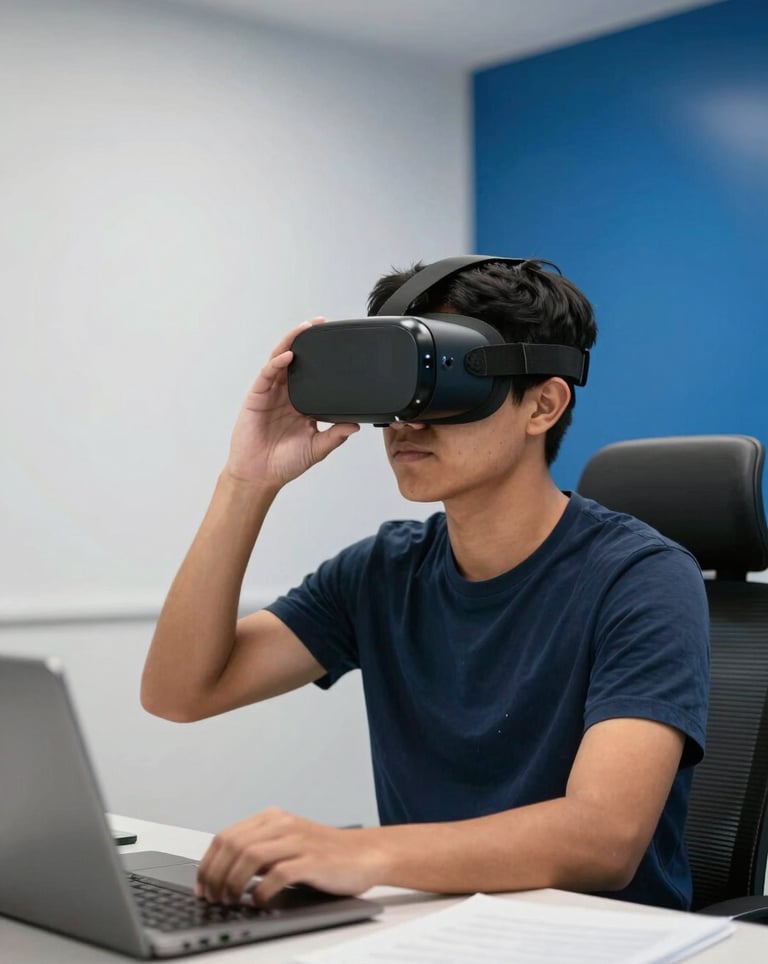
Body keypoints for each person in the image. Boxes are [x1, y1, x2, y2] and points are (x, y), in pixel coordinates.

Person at [141, 258, 709, 911]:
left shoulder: (642, 578)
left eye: (442, 385)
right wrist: (247, 482)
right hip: (428, 929)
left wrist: (358, 851)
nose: (406, 422)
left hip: (606, 943)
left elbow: (603, 838)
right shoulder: (384, 571)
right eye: (398, 388)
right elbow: (181, 692)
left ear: (542, 405)